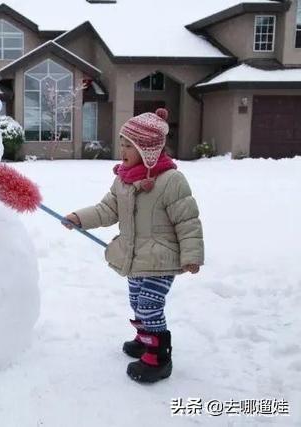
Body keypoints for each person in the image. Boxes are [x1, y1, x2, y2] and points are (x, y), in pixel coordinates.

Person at [64, 108, 204, 383]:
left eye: (130, 145)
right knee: (136, 302)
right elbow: (107, 209)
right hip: (134, 258)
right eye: (122, 143)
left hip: (161, 259)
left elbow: (188, 220)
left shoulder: (171, 181)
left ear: (148, 149)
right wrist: (80, 218)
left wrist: (192, 256)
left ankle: (158, 356)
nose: (123, 150)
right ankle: (144, 339)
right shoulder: (124, 179)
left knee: (149, 304)